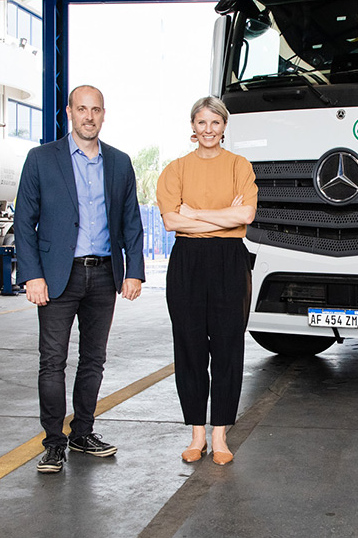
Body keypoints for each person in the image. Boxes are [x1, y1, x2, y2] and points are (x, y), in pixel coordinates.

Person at [15, 84, 145, 474]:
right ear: (69, 112)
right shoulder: (41, 159)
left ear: (104, 115)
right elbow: (24, 221)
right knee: (52, 361)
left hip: (104, 274)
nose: (89, 116)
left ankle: (83, 432)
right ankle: (54, 443)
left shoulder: (120, 163)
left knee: (94, 360)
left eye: (97, 110)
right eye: (82, 109)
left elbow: (132, 222)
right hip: (58, 276)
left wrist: (134, 269)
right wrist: (32, 275)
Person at [156, 96, 257, 465]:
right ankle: (197, 434)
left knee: (228, 347)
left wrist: (195, 213)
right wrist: (223, 216)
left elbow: (245, 214)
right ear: (193, 127)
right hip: (188, 261)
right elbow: (171, 221)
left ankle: (220, 435)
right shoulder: (176, 169)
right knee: (190, 346)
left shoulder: (239, 166)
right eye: (201, 122)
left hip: (230, 261)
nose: (208, 129)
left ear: (224, 126)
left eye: (215, 123)